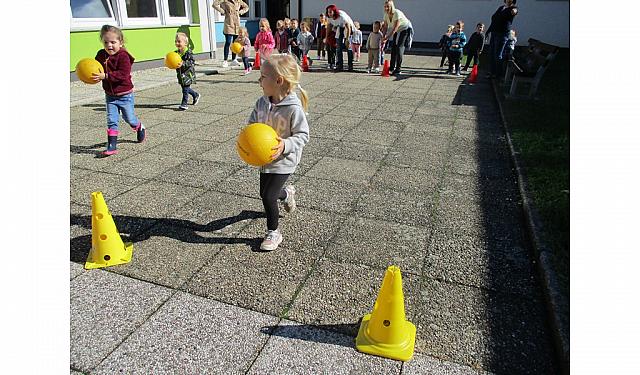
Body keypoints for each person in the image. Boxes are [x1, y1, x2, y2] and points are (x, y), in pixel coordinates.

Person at [249, 54, 310, 251]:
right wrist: (248, 136)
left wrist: (285, 145)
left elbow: (303, 135)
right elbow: (252, 124)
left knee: (268, 197)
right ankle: (287, 194)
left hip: (285, 159)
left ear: (278, 81)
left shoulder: (293, 108)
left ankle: (273, 232)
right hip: (265, 158)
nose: (259, 81)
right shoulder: (261, 103)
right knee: (265, 193)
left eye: (263, 76)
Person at [93, 25, 146, 156]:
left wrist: (105, 76)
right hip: (110, 96)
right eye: (106, 42)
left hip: (125, 95)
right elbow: (94, 68)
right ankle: (112, 145)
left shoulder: (123, 56)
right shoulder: (101, 54)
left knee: (129, 118)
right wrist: (90, 76)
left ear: (120, 42)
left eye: (113, 42)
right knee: (112, 120)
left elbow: (123, 74)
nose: (109, 45)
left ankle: (139, 126)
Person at [486, 0, 518, 79]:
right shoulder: (501, 7)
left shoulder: (513, 8)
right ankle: (492, 72)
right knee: (492, 53)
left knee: (498, 54)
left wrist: (514, 11)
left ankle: (498, 75)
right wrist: (488, 31)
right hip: (494, 33)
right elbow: (494, 20)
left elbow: (515, 11)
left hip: (502, 34)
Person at [212, 0, 249, 68]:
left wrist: (240, 12)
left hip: (237, 25)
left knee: (235, 43)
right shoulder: (225, 1)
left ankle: (234, 59)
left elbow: (246, 7)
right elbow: (214, 4)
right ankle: (225, 60)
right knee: (228, 42)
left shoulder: (239, 1)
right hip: (229, 24)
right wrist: (223, 11)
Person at [381, 0, 413, 76]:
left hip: (404, 29)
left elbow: (395, 28)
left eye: (388, 6)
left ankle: (398, 69)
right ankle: (391, 67)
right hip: (397, 30)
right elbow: (385, 27)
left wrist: (387, 38)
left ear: (392, 6)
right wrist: (383, 36)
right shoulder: (385, 14)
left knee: (399, 47)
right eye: (385, 6)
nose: (386, 8)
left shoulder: (397, 13)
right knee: (393, 48)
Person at [325, 4, 356, 71]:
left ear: (334, 12)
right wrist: (326, 37)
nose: (329, 13)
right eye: (328, 12)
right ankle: (340, 65)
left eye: (330, 12)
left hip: (348, 28)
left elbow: (348, 28)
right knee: (338, 48)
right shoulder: (329, 18)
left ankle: (350, 65)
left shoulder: (342, 17)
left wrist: (347, 39)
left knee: (348, 47)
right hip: (339, 27)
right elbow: (329, 27)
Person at [174, 32, 200, 110]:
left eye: (179, 41)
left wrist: (183, 63)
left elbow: (191, 62)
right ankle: (195, 95)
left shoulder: (188, 52)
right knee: (185, 89)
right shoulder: (176, 53)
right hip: (180, 74)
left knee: (185, 90)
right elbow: (173, 60)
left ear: (185, 43)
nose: (177, 43)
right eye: (176, 41)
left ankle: (184, 103)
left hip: (188, 74)